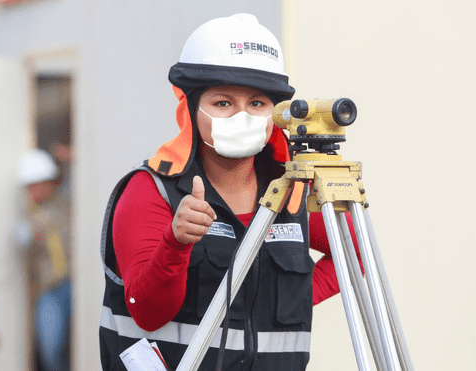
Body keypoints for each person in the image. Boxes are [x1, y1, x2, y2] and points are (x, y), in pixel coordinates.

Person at [99, 13, 360, 371]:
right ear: (191, 108)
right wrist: (175, 242)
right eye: (223, 103)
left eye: (257, 103)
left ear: (275, 112)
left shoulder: (292, 192)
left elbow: (354, 254)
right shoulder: (151, 191)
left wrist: (283, 300)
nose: (242, 116)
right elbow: (146, 311)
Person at [16, 148, 72, 371]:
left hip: (75, 284)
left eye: (39, 184)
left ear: (50, 182)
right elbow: (22, 241)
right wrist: (28, 236)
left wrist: (69, 160)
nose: (34, 190)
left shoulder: (66, 204)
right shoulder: (27, 217)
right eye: (30, 186)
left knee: (81, 340)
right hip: (49, 289)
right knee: (49, 348)